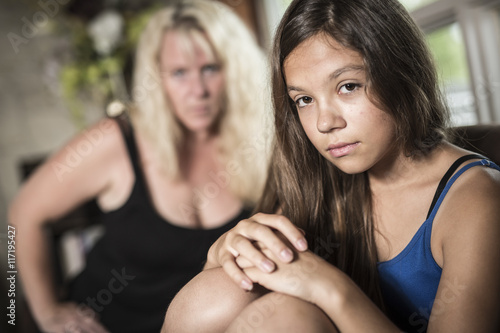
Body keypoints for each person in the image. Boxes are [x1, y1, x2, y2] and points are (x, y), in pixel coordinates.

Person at [162, 0, 500, 332]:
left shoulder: (476, 199)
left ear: (402, 72)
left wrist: (331, 289)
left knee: (282, 316)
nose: (324, 123)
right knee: (216, 293)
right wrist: (222, 255)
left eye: (348, 86)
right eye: (304, 100)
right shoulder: (320, 176)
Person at [8, 0, 271, 332]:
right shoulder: (117, 140)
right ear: (156, 78)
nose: (198, 91)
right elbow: (22, 213)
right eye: (179, 73)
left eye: (210, 69)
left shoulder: (260, 144)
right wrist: (43, 311)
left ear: (235, 70)